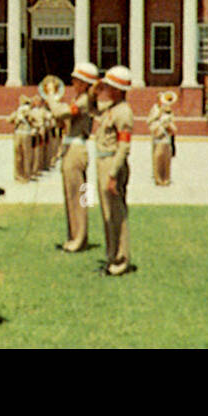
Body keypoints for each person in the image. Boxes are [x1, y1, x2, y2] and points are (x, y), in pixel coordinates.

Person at [47, 62, 99, 252]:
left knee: (76, 195)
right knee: (75, 194)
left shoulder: (84, 100)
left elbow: (61, 111)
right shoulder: (80, 98)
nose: (73, 83)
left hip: (76, 150)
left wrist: (51, 96)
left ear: (86, 83)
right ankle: (76, 236)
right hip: (73, 148)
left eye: (77, 80)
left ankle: (78, 239)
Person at [93, 66, 134, 276]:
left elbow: (124, 146)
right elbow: (92, 105)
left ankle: (120, 259)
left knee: (116, 214)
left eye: (109, 86)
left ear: (117, 89)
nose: (105, 89)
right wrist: (96, 87)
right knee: (108, 214)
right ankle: (111, 256)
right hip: (103, 161)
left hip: (112, 163)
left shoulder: (123, 112)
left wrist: (112, 174)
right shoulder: (111, 107)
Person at [148, 91, 177, 186]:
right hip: (158, 134)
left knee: (167, 158)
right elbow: (150, 121)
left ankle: (166, 178)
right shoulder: (155, 109)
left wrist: (170, 126)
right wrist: (159, 114)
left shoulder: (169, 110)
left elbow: (173, 122)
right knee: (158, 157)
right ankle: (158, 178)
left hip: (167, 137)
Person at [8, 96, 36, 183]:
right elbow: (9, 120)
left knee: (27, 155)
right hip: (18, 134)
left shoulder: (30, 112)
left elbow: (35, 121)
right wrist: (16, 115)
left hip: (26, 134)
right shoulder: (17, 112)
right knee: (18, 155)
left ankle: (26, 175)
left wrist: (27, 115)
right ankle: (18, 175)